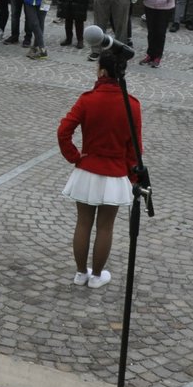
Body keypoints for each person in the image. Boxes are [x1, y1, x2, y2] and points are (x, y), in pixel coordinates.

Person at [58, 50, 140, 289]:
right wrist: (133, 176)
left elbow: (63, 131)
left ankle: (80, 273)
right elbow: (135, 147)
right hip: (114, 173)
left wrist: (75, 157)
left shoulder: (87, 99)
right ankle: (96, 276)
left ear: (102, 71)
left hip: (88, 168)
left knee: (83, 223)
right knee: (105, 227)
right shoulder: (132, 105)